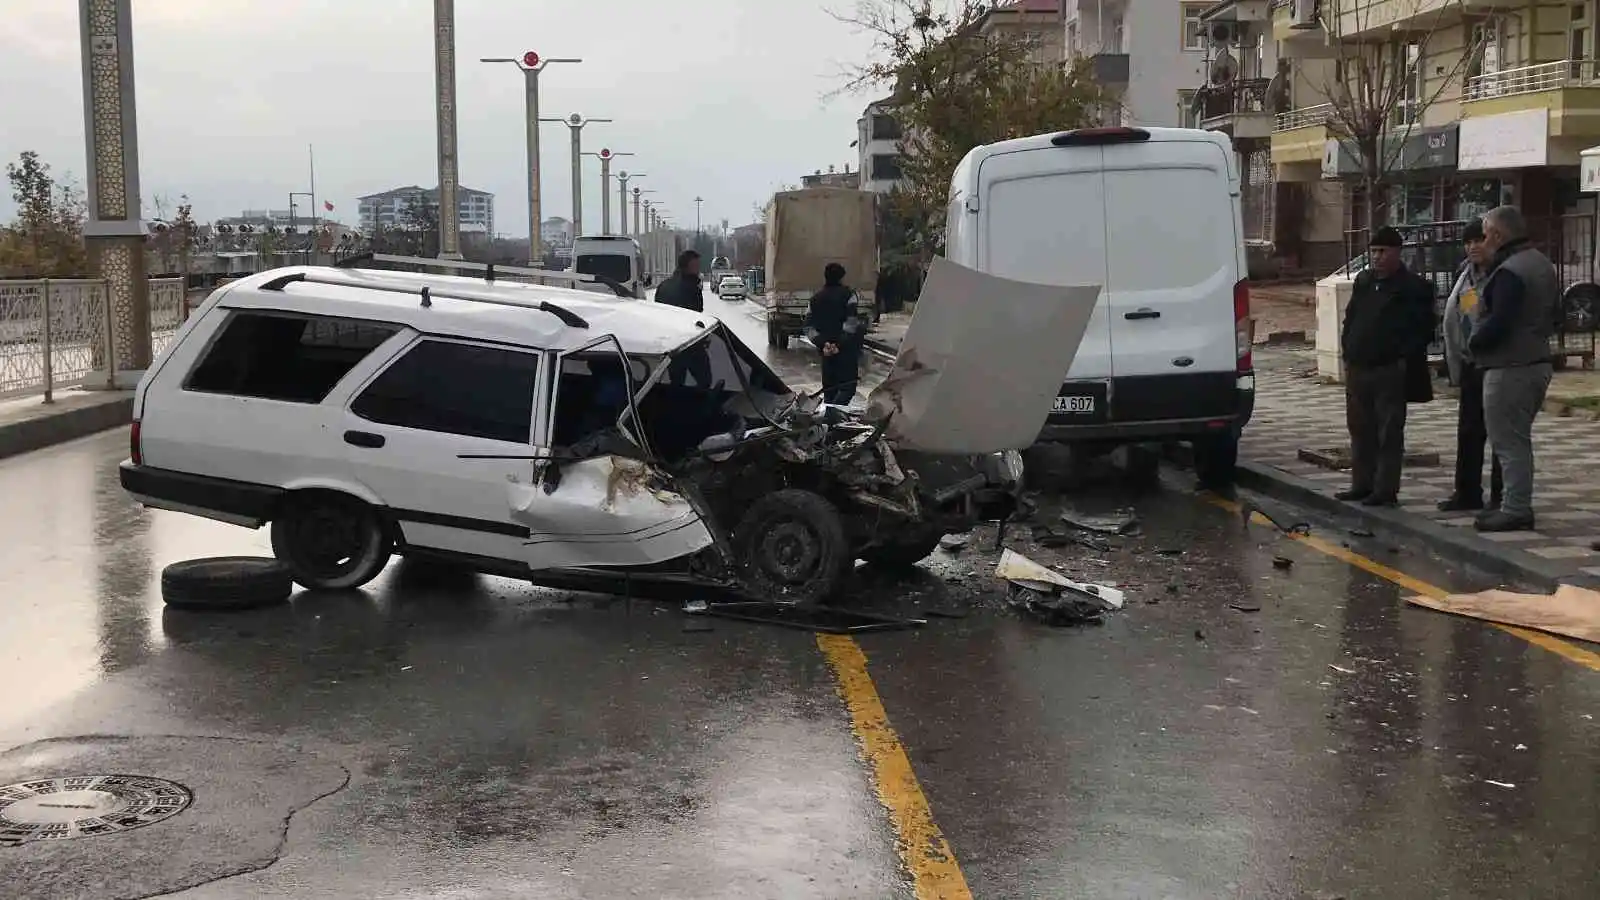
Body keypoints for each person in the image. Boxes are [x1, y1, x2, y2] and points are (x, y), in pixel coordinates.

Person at [1469, 205, 1559, 532]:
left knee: (1508, 442)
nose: (1482, 239)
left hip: (1510, 365)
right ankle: (1514, 504)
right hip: (1536, 359)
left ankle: (1515, 507)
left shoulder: (1510, 271)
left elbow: (1499, 321)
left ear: (1497, 234)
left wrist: (1475, 342)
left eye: (1485, 231)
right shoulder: (1541, 263)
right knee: (1517, 439)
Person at [1335, 226, 1436, 507]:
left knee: (1388, 431)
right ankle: (1361, 484)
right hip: (1359, 367)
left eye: (1383, 252)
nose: (1377, 257)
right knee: (1359, 428)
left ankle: (1385, 489)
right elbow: (1351, 318)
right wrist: (1348, 349)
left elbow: (1425, 328)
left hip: (1390, 369)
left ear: (1396, 253)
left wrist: (1401, 356)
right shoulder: (1365, 281)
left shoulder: (1412, 287)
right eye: (1374, 251)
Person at [1438, 217, 1503, 513]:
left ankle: (1502, 497)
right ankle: (1467, 492)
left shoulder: (1502, 275)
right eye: (1468, 242)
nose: (1473, 247)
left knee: (1501, 434)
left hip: (1497, 363)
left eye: (1478, 240)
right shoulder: (1465, 275)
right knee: (1468, 432)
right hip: (1469, 363)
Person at [806, 262, 863, 405]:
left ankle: (829, 419)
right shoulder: (849, 295)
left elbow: (808, 328)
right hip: (846, 351)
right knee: (847, 388)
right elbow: (851, 323)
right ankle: (833, 415)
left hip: (826, 353)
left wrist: (823, 343)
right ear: (842, 277)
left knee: (829, 390)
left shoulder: (814, 299)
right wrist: (838, 344)